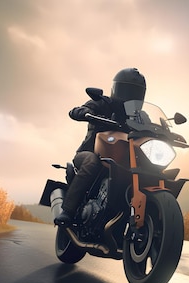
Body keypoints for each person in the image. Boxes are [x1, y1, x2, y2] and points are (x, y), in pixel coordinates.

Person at [54, 67, 147, 226]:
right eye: (127, 90)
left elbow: (152, 128)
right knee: (91, 162)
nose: (130, 96)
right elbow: (76, 110)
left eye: (135, 92)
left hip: (124, 160)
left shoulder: (140, 116)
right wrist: (84, 112)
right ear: (116, 88)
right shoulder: (102, 103)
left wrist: (167, 133)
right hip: (90, 153)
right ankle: (68, 211)